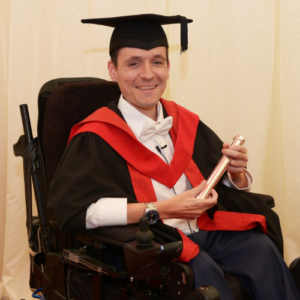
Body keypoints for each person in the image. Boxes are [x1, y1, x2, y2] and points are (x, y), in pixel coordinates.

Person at [47, 14, 300, 300]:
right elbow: (82, 211)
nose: (147, 73)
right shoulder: (95, 135)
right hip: (153, 243)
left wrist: (236, 174)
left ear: (168, 68)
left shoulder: (185, 121)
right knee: (201, 272)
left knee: (260, 249)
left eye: (157, 61)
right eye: (133, 63)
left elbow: (216, 187)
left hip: (205, 228)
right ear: (113, 70)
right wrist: (162, 209)